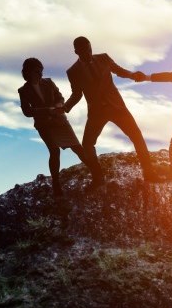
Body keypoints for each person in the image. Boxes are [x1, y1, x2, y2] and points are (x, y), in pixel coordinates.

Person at [63, 36, 160, 182]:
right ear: (76, 51)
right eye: (84, 51)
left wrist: (133, 75)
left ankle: (149, 173)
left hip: (117, 107)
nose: (88, 53)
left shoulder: (103, 58)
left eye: (89, 49)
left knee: (136, 136)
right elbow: (77, 94)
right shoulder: (73, 72)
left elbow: (119, 70)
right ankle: (98, 178)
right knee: (87, 145)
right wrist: (65, 107)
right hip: (96, 113)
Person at [18, 58, 104, 196]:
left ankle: (97, 175)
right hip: (44, 125)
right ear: (28, 72)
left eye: (41, 71)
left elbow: (60, 97)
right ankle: (56, 185)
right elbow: (27, 112)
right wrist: (47, 110)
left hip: (59, 121)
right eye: (37, 71)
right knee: (54, 151)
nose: (40, 74)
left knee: (78, 149)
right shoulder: (23, 90)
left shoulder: (49, 82)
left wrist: (58, 106)